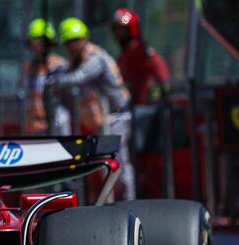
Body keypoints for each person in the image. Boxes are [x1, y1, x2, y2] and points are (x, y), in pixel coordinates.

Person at [47, 17, 135, 200]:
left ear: (86, 38)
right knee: (104, 163)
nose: (74, 45)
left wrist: (56, 81)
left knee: (119, 162)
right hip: (101, 119)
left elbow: (79, 77)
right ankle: (108, 203)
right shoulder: (73, 61)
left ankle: (128, 202)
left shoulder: (96, 57)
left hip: (117, 116)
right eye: (69, 41)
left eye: (77, 40)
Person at [110, 8, 170, 106]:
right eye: (114, 28)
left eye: (120, 29)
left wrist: (156, 96)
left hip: (140, 110)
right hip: (126, 108)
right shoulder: (124, 54)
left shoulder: (140, 51)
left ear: (131, 29)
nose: (116, 33)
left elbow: (162, 75)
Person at [21, 18, 70, 135]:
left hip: (57, 121)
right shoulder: (27, 68)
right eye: (36, 41)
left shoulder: (60, 64)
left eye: (43, 42)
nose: (39, 46)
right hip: (35, 123)